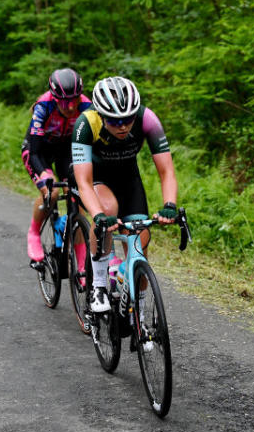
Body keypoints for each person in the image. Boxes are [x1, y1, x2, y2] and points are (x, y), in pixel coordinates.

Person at [71, 76, 178, 314]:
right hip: (94, 176)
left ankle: (138, 308)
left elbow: (167, 170)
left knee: (140, 245)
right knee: (108, 211)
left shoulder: (147, 118)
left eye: (128, 119)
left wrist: (169, 204)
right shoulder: (86, 123)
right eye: (114, 121)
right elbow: (84, 182)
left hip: (128, 178)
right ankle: (98, 285)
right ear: (100, 114)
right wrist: (98, 215)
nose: (123, 126)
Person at [21, 68, 92, 271]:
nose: (70, 107)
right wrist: (44, 174)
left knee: (77, 198)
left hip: (65, 151)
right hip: (39, 150)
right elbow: (34, 151)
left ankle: (81, 263)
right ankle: (34, 233)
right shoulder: (43, 106)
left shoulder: (87, 107)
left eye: (74, 99)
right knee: (51, 193)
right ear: (54, 96)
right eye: (63, 101)